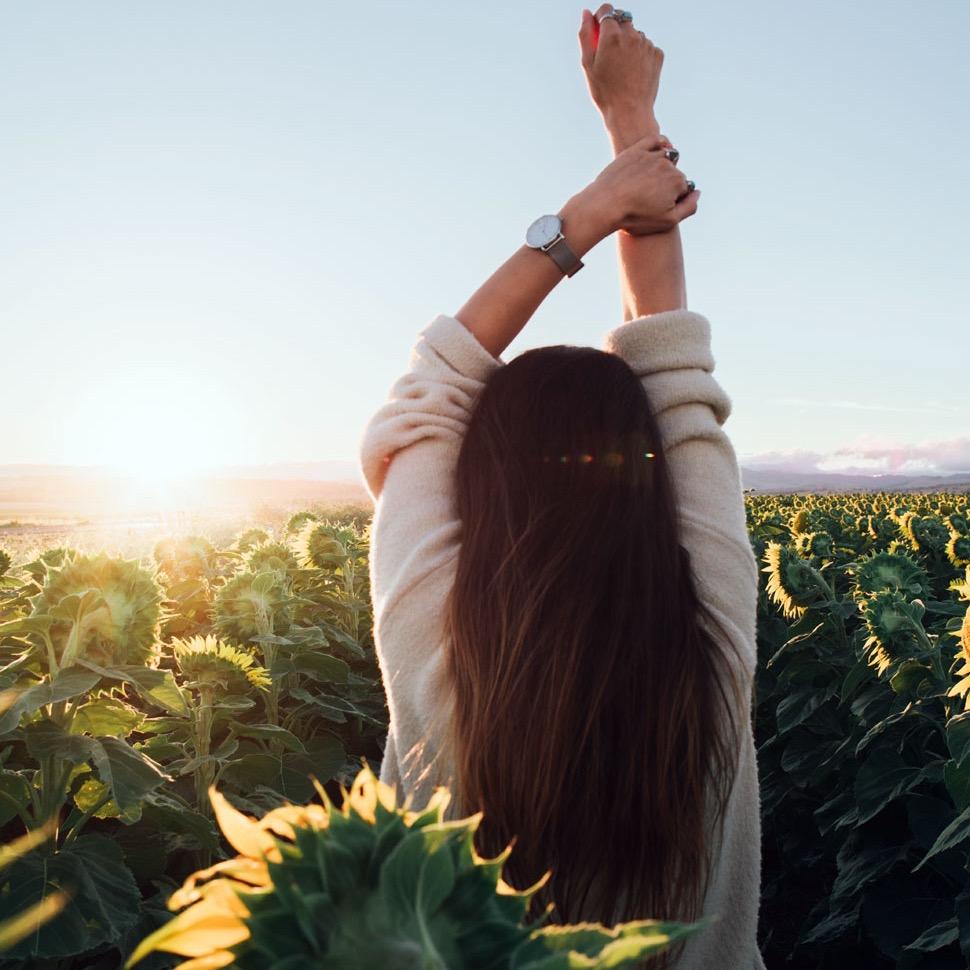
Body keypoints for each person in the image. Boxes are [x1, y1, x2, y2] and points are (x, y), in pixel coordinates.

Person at [357, 5, 765, 968]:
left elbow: (436, 379)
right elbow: (670, 356)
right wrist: (633, 125)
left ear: (479, 482)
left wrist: (589, 209)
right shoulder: (713, 631)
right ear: (652, 477)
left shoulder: (433, 646)